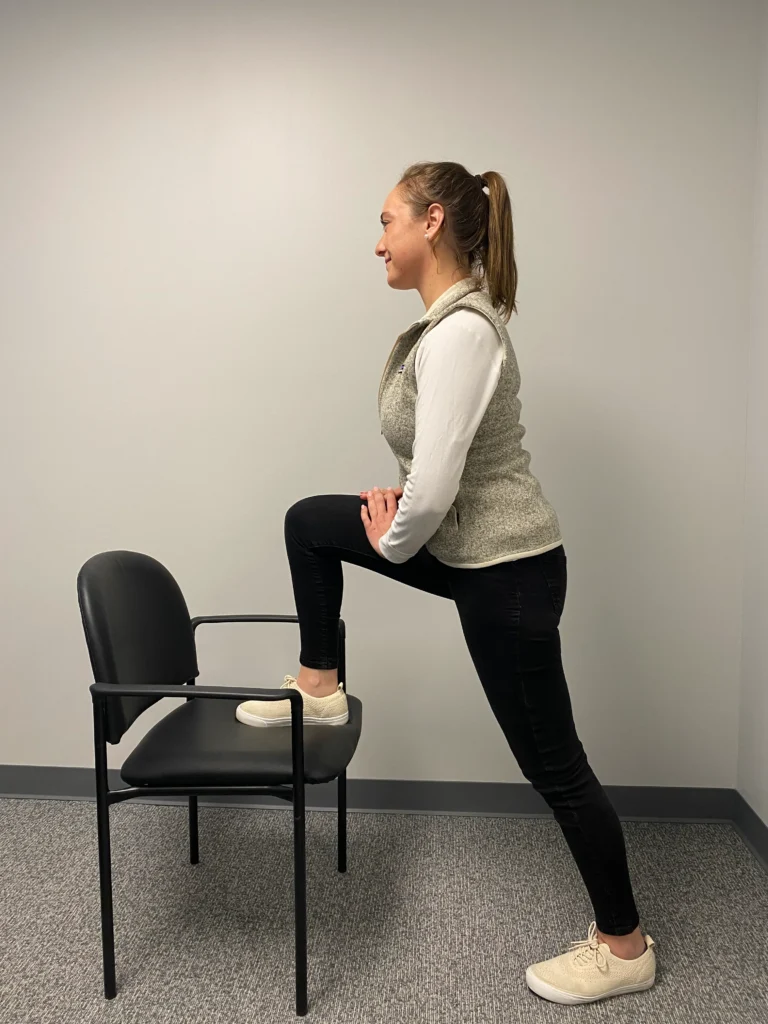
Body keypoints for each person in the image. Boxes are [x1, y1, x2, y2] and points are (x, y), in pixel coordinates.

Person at [234, 161, 656, 1004]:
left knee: (555, 767)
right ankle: (319, 688)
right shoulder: (445, 326)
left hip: (509, 571)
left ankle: (625, 946)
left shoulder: (463, 333)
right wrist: (400, 518)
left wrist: (394, 534)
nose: (377, 241)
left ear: (432, 222)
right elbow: (429, 488)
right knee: (310, 523)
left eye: (386, 220)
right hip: (469, 551)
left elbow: (431, 491)